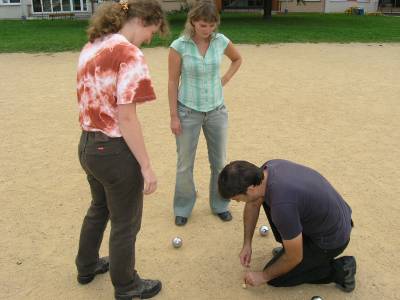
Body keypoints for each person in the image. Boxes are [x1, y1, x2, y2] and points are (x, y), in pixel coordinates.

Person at [75, 1, 168, 299]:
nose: (149, 39)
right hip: (114, 151)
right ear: (141, 21)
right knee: (125, 222)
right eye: (151, 31)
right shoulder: (128, 53)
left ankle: (86, 265)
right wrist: (146, 165)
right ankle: (127, 286)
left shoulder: (93, 45)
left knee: (99, 208)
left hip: (88, 145)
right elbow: (126, 117)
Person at [218, 159, 357, 292]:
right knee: (263, 200)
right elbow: (253, 202)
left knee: (277, 278)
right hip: (330, 219)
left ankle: (342, 270)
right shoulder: (268, 169)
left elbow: (294, 257)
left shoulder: (282, 206)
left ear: (249, 189)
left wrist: (263, 276)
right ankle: (293, 245)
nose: (237, 202)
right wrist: (247, 243)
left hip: (332, 240)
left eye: (237, 199)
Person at [168, 0, 242, 226]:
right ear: (192, 22)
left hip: (216, 111)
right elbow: (172, 81)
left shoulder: (221, 41)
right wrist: (173, 116)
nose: (208, 30)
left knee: (219, 162)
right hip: (187, 111)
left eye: (211, 25)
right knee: (184, 164)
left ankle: (220, 204)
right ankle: (182, 207)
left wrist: (226, 79)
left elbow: (237, 59)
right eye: (203, 25)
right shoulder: (179, 46)